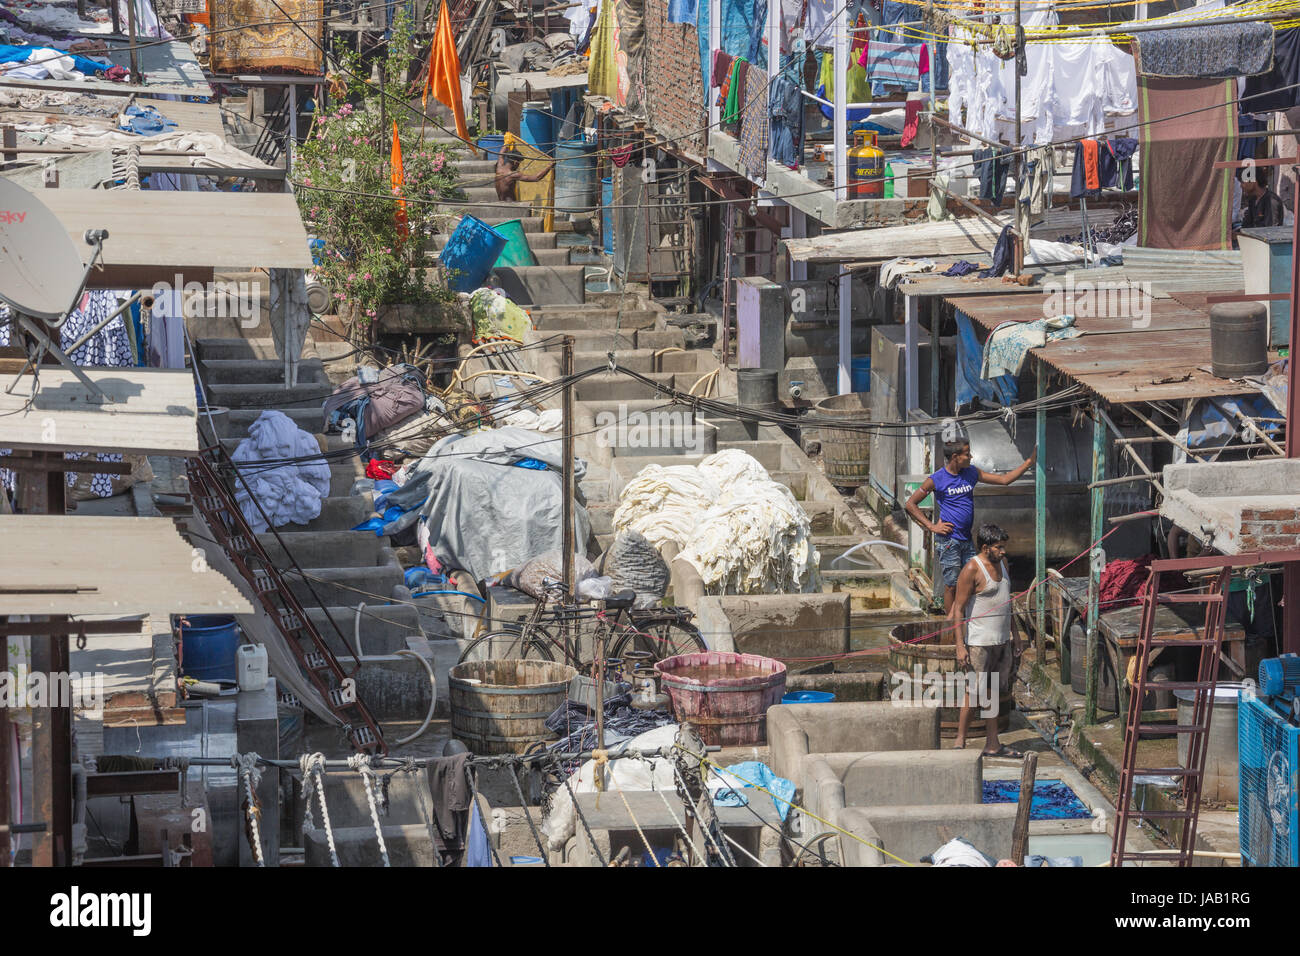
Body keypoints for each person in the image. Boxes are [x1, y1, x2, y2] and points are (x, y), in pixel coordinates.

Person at [904, 436, 1037, 612]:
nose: (971, 457)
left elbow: (1004, 480)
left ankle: (966, 619)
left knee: (972, 580)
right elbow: (910, 504)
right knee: (951, 584)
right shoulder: (937, 479)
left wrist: (1028, 463)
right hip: (948, 540)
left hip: (966, 538)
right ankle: (951, 626)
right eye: (967, 454)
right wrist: (931, 527)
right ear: (955, 457)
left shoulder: (972, 473)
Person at [951, 523, 1023, 756]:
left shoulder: (1003, 564)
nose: (1003, 551)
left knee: (992, 693)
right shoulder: (972, 568)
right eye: (999, 547)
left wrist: (1016, 635)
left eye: (1004, 547)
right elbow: (958, 609)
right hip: (978, 643)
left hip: (1001, 641)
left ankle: (993, 743)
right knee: (974, 693)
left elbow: (1007, 602)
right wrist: (960, 646)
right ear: (985, 547)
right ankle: (960, 740)